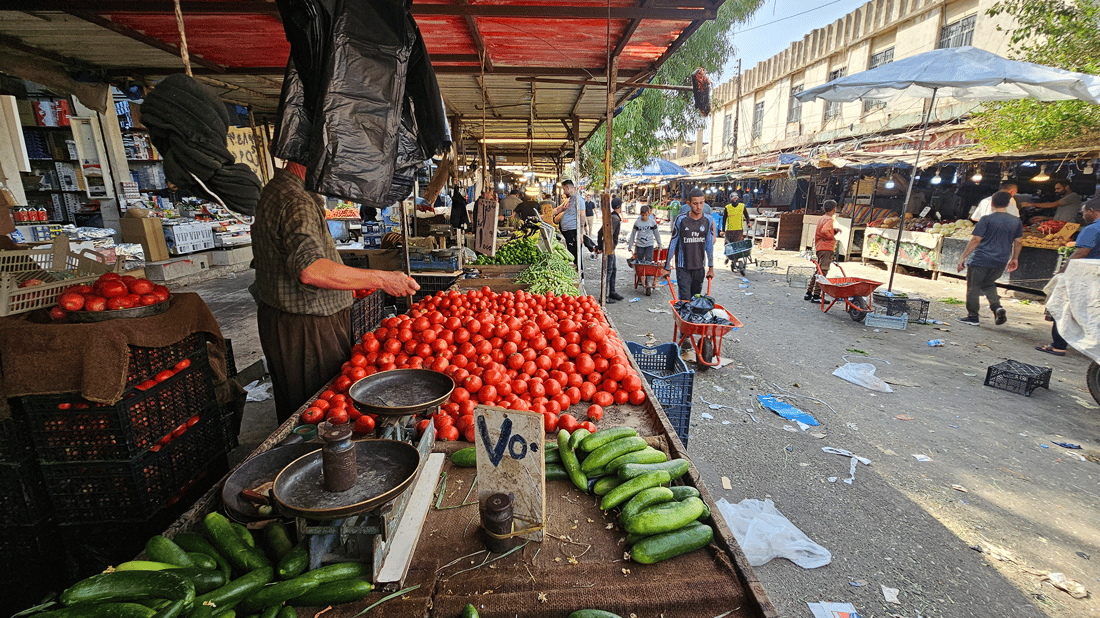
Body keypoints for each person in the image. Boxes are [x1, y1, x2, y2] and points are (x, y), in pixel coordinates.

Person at [251, 162, 420, 423]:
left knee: (304, 405)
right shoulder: (296, 201)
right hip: (306, 326)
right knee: (318, 412)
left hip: (290, 318)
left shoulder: (279, 190)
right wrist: (382, 278)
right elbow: (311, 269)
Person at [1036, 196, 1100, 355]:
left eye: (1084, 212)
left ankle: (1058, 345)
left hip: (1086, 277)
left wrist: (1061, 272)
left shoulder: (1092, 229)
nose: (1083, 215)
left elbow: (1080, 253)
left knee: (1064, 307)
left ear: (1092, 211)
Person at [955, 191, 1023, 326]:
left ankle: (973, 317)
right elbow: (1019, 242)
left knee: (973, 287)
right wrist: (1014, 258)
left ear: (991, 203)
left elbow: (975, 239)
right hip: (1001, 260)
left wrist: (963, 256)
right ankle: (997, 307)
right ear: (1009, 204)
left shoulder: (986, 219)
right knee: (988, 284)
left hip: (981, 259)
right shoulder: (1016, 221)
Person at [660, 188, 716, 302]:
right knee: (685, 301)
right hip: (683, 267)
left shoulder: (708, 220)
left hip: (699, 268)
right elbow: (673, 244)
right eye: (695, 203)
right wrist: (667, 267)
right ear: (689, 203)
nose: (699, 207)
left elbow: (709, 246)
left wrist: (711, 267)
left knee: (695, 300)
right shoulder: (681, 220)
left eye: (701, 203)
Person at [805, 200, 840, 302]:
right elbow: (825, 231)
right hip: (826, 248)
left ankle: (809, 292)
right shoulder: (829, 220)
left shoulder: (822, 218)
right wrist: (831, 236)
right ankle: (816, 295)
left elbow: (823, 230)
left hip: (820, 247)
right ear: (834, 209)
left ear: (824, 209)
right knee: (823, 271)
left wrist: (833, 231)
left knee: (818, 270)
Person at [598, 199, 625, 303]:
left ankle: (612, 292)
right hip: (609, 248)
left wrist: (600, 246)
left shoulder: (611, 217)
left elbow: (600, 232)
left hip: (610, 248)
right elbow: (606, 234)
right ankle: (604, 296)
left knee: (613, 270)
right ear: (620, 207)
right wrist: (602, 247)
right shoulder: (614, 219)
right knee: (608, 271)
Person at [553, 179, 583, 260]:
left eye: (564, 189)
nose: (563, 191)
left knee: (575, 256)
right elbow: (557, 210)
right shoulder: (569, 200)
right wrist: (542, 216)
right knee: (571, 253)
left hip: (573, 231)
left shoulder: (579, 200)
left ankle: (579, 272)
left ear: (568, 188)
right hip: (567, 232)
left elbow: (582, 216)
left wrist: (580, 233)